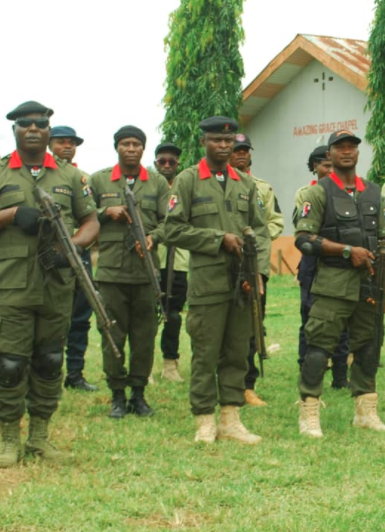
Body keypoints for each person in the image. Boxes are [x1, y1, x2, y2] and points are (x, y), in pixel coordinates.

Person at [0, 101, 99, 467]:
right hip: (11, 286)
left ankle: (39, 438)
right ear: (15, 131)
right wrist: (10, 215)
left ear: (49, 131)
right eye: (26, 124)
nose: (34, 129)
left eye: (41, 123)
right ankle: (9, 439)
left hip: (56, 284)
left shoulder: (70, 176)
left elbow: (91, 222)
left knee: (50, 360)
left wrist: (73, 247)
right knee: (8, 363)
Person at [165, 116, 269, 444]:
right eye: (216, 140)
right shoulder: (188, 180)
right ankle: (205, 420)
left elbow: (261, 230)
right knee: (206, 352)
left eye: (229, 142)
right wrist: (217, 238)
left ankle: (230, 418)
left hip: (243, 283)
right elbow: (172, 229)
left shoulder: (245, 183)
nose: (223, 146)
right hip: (207, 283)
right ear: (204, 143)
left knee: (237, 350)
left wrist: (259, 272)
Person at [295, 129, 385, 438]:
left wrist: (384, 256)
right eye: (340, 147)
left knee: (368, 346)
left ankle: (365, 412)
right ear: (331, 154)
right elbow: (304, 239)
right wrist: (347, 251)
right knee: (318, 347)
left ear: (358, 153)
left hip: (369, 285)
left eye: (352, 146)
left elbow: (384, 236)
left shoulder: (374, 192)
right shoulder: (319, 192)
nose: (347, 151)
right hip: (333, 284)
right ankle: (309, 411)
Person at [90, 126, 169, 419]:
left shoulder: (157, 183)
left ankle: (138, 394)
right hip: (110, 273)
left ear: (143, 149)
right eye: (125, 144)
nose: (131, 148)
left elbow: (168, 222)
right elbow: (82, 216)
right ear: (117, 148)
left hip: (145, 273)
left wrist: (153, 238)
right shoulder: (99, 180)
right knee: (112, 334)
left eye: (136, 144)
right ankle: (117, 395)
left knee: (144, 336)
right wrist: (104, 212)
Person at [229, 133, 284, 407]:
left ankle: (247, 385)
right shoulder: (218, 184)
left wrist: (256, 242)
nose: (240, 154)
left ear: (250, 154)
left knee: (252, 324)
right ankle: (224, 381)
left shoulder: (262, 187)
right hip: (223, 261)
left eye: (244, 150)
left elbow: (275, 222)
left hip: (254, 264)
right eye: (236, 150)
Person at [294, 146, 350, 389]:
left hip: (342, 262)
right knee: (309, 317)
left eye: (332, 165)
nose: (329, 170)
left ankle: (340, 376)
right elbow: (305, 230)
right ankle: (307, 371)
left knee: (341, 319)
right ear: (315, 167)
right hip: (313, 261)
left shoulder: (351, 191)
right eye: (324, 165)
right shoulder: (307, 193)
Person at [49, 126, 97, 391]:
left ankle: (75, 373)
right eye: (60, 142)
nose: (67, 146)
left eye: (71, 142)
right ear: (49, 144)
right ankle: (49, 372)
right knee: (52, 314)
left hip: (80, 250)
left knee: (80, 314)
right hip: (50, 253)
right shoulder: (42, 175)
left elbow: (91, 216)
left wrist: (78, 244)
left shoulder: (84, 178)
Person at [154, 141, 189, 383]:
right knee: (147, 316)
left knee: (174, 315)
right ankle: (143, 366)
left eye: (172, 162)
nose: (167, 165)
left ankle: (170, 364)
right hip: (152, 260)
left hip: (179, 261)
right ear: (156, 162)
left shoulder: (185, 186)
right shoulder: (147, 185)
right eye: (162, 161)